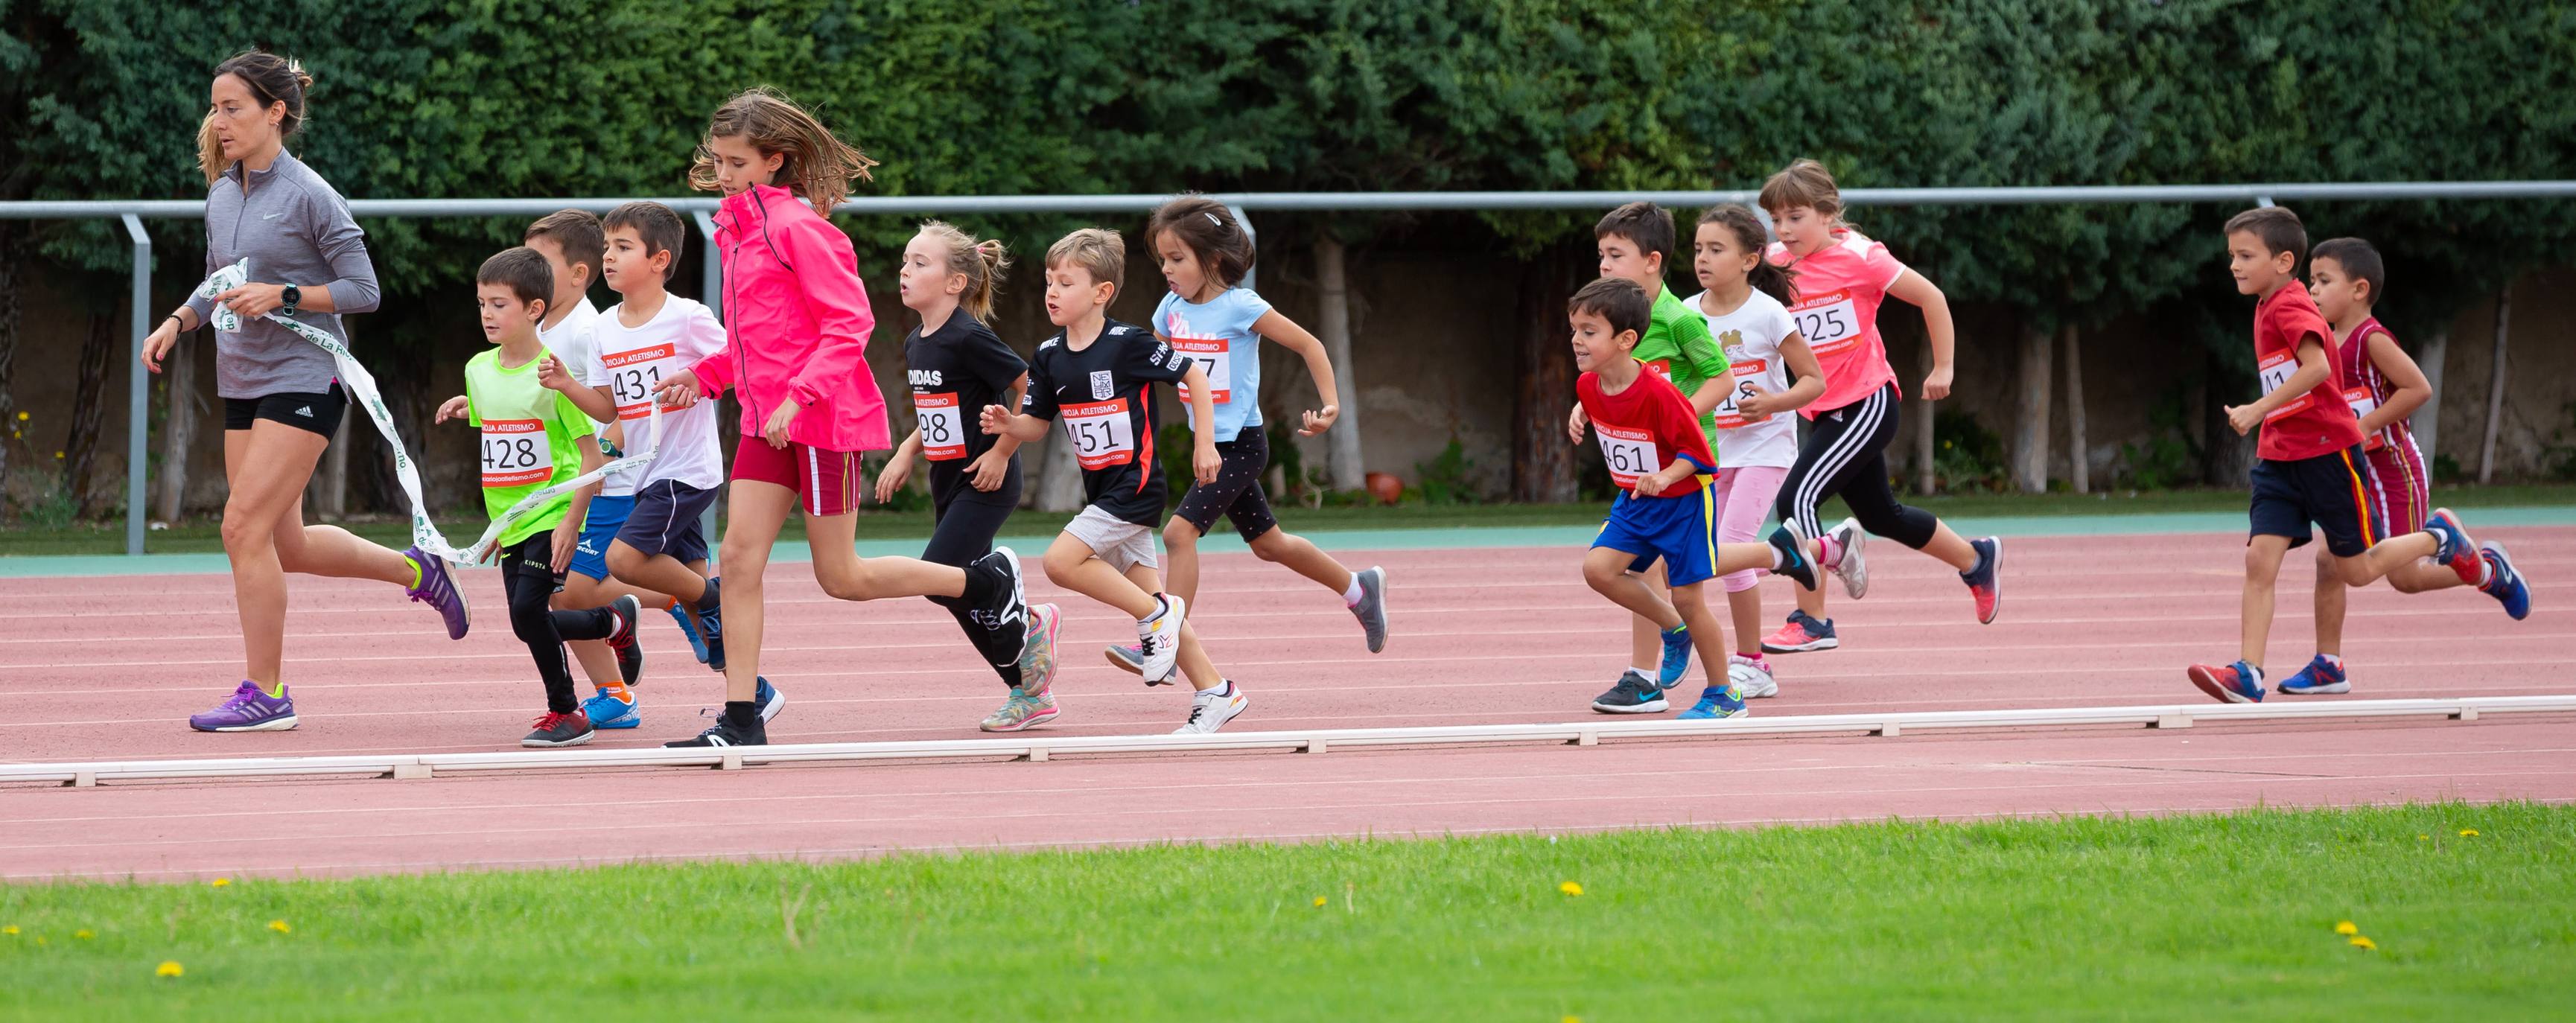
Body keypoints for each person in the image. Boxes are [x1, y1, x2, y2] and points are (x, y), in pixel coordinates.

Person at [648, 89, 1025, 749]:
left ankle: (984, 578)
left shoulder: (802, 229)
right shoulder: (735, 233)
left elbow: (849, 323)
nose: (725, 173)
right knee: (736, 561)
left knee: (840, 577)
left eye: (738, 162)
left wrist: (799, 398)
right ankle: (742, 719)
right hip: (766, 424)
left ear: (775, 160)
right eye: (720, 160)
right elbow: (752, 340)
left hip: (820, 421)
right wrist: (702, 379)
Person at [141, 50, 468, 733]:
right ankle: (419, 573)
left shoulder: (313, 195)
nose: (219, 120)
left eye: (232, 108)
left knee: (240, 527)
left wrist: (285, 293)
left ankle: (268, 693)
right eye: (215, 107)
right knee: (280, 543)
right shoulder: (223, 191)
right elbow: (217, 276)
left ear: (275, 112)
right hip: (243, 381)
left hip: (307, 379)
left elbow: (364, 291)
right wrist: (180, 319)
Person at [2186, 207, 2496, 704]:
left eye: (2245, 256)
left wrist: (2258, 409)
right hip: (2279, 458)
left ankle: (2437, 536)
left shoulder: (2290, 306)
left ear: (2283, 260)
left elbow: (2315, 370)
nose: (2234, 266)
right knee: (2257, 560)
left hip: (2326, 456)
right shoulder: (2266, 304)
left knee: (2354, 569)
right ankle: (2247, 672)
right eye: (2231, 257)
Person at [979, 229, 1253, 735]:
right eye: (1048, 281)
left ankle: (1156, 615)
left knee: (1061, 562)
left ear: (1102, 292)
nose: (1052, 292)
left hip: (1136, 487)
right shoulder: (1048, 355)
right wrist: (1006, 425)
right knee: (1159, 609)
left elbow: (1193, 375)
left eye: (1066, 282)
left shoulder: (1128, 345)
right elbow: (1036, 427)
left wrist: (1205, 443)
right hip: (1103, 493)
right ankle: (1217, 691)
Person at [1098, 196, 1386, 676]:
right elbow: (1145, 361)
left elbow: (1309, 345)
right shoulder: (1170, 309)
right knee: (1269, 544)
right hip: (1208, 445)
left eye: (1177, 258)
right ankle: (1359, 587)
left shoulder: (1242, 306)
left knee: (1178, 533)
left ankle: (1168, 644)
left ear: (1211, 260)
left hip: (1241, 446)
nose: (1166, 269)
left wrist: (1330, 405)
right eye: (1162, 259)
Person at [1756, 159, 2000, 654]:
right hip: (1824, 410)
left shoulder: (1862, 258)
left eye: (1795, 217)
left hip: (1867, 402)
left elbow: (1931, 297)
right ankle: (1976, 559)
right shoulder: (1773, 263)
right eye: (1776, 219)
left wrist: (1943, 367)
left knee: (1795, 499)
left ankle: (1812, 620)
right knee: (1882, 515)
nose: (1784, 230)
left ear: (1828, 214)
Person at [2276, 238, 2534, 695]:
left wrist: (2369, 422)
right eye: (2311, 280)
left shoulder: (2370, 339)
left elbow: (2418, 388)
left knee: (2406, 579)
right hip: (2351, 471)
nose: (2312, 290)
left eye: (2323, 281)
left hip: (2394, 468)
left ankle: (2489, 569)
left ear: (2359, 289)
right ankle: (2328, 665)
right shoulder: (2321, 344)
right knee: (2328, 560)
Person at [1566, 277, 1819, 718]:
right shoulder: (1588, 387)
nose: (1577, 341)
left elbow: (1700, 456)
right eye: (1575, 330)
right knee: (1598, 569)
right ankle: (1673, 628)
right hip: (1634, 503)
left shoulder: (1663, 396)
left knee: (1688, 595)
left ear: (1626, 340)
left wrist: (1665, 477)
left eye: (1589, 332)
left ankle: (1725, 695)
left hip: (1683, 503)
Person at [543, 203, 745, 732]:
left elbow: (734, 365)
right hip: (647, 474)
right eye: (607, 247)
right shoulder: (604, 330)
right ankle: (748, 691)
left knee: (625, 560)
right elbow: (612, 410)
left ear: (659, 260)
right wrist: (569, 386)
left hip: (686, 471)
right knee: (708, 631)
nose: (609, 257)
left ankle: (711, 598)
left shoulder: (688, 318)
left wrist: (697, 379)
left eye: (622, 247)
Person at [440, 248, 640, 748]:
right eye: (481, 303)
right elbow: (500, 445)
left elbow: (590, 459)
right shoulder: (478, 370)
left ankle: (566, 712)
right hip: (513, 519)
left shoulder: (552, 377)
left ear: (533, 309)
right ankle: (613, 619)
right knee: (526, 619)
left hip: (553, 512)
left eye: (499, 304)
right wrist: (496, 527)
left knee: (529, 613)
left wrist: (572, 522)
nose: (487, 314)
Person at [873, 221, 1065, 732]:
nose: (905, 270)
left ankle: (1018, 605)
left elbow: (1030, 388)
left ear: (955, 282)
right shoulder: (918, 342)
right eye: (905, 261)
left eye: (920, 263)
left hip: (987, 480)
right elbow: (938, 409)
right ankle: (1027, 690)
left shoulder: (968, 336)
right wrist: (906, 452)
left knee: (939, 579)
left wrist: (1003, 451)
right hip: (948, 481)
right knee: (955, 593)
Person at [1567, 201, 1734, 692]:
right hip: (1642, 477)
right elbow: (1615, 384)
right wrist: (1591, 408)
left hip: (1682, 466)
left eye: (1615, 255)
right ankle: (1647, 672)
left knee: (1678, 586)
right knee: (1623, 572)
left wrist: (1675, 418)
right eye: (1601, 255)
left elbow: (1721, 379)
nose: (1604, 264)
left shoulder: (1678, 320)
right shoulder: (1605, 317)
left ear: (1652, 260)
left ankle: (1679, 681)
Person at [1683, 205, 1827, 698]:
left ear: (1749, 259)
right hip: (1710, 453)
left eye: (1715, 249)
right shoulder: (1684, 313)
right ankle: (1823, 549)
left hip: (1766, 447)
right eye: (1698, 248)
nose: (1702, 258)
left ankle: (1753, 664)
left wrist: (1771, 401)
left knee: (1726, 546)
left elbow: (1813, 381)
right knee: (1722, 554)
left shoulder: (1767, 312)